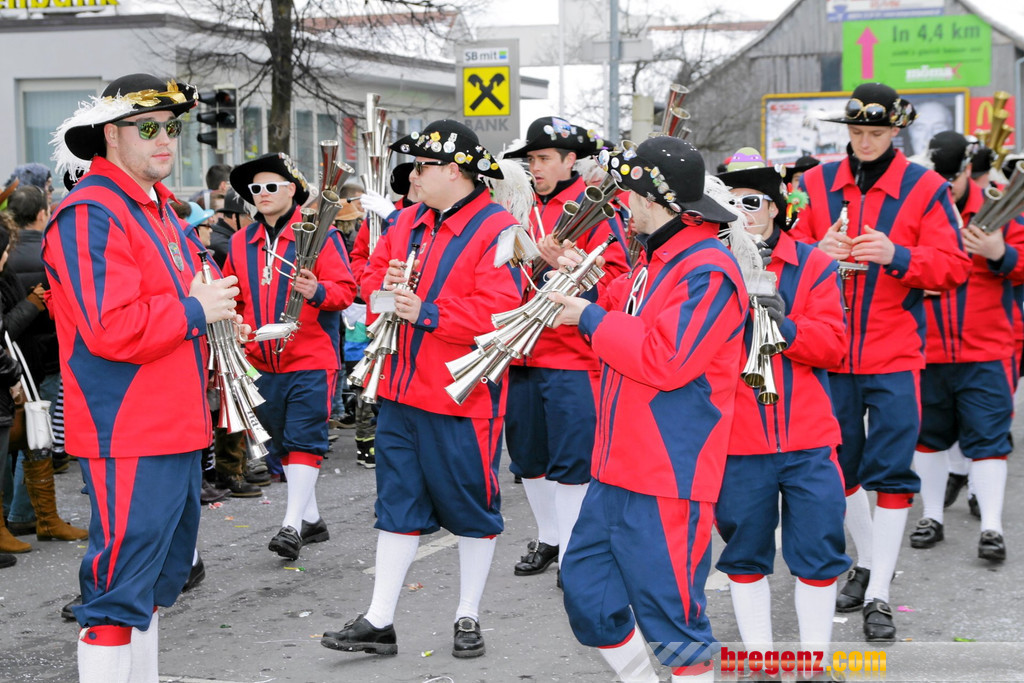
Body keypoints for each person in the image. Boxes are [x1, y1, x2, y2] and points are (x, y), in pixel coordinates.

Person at [43, 72, 242, 681]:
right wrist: (195, 310)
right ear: (110, 134)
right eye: (147, 127)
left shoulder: (152, 209)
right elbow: (111, 327)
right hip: (128, 426)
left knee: (155, 580)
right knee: (118, 590)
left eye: (172, 127)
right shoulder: (90, 212)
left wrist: (214, 314)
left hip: (172, 422)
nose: (165, 139)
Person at [321, 120, 523, 659]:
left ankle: (467, 614)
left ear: (454, 171)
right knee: (397, 506)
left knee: (472, 510)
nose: (411, 175)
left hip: (462, 397)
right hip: (400, 389)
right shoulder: (407, 219)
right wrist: (383, 288)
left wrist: (428, 312)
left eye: (422, 166)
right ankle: (379, 620)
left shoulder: (498, 228)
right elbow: (367, 277)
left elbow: (501, 312)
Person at [549, 136, 748, 682]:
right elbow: (619, 313)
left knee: (675, 623)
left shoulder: (707, 268)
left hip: (668, 473)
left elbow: (668, 359)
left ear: (654, 200)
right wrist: (581, 288)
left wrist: (588, 317)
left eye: (629, 195)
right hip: (617, 466)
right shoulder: (657, 259)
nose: (622, 206)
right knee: (588, 598)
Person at [791, 82, 972, 642]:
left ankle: (879, 595)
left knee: (892, 473)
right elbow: (782, 256)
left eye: (875, 132)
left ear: (896, 131)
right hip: (829, 353)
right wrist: (814, 253)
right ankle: (870, 564)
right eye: (856, 131)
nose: (865, 142)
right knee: (838, 469)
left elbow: (954, 267)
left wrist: (898, 255)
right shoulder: (813, 184)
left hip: (895, 353)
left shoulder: (925, 187)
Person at [714, 149, 849, 661]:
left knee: (819, 552)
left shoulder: (814, 263)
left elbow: (833, 347)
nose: (740, 211)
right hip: (738, 439)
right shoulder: (712, 264)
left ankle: (814, 662)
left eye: (751, 201)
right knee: (744, 555)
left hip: (808, 439)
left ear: (774, 207)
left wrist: (785, 327)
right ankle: (761, 661)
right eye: (730, 203)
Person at [498, 116, 629, 582]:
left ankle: (573, 552)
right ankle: (549, 536)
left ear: (570, 160)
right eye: (531, 160)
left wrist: (572, 271)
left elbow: (617, 281)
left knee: (573, 462)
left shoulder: (597, 207)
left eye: (544, 158)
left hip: (572, 356)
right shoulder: (515, 205)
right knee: (528, 457)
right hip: (520, 350)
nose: (535, 167)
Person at [224, 152, 356, 560]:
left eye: (271, 186)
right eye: (255, 188)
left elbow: (346, 292)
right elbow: (234, 296)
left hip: (310, 357)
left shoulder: (322, 235)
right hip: (259, 359)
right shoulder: (240, 241)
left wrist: (317, 291)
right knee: (281, 443)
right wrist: (236, 324)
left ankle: (291, 526)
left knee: (304, 438)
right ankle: (311, 519)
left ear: (292, 190)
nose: (261, 194)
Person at [909, 131, 1023, 562]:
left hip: (986, 349)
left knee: (990, 440)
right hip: (927, 349)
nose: (943, 187)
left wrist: (999, 253)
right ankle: (932, 517)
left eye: (950, 179)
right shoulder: (918, 207)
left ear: (965, 173)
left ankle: (991, 527)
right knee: (928, 439)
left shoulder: (999, 207)